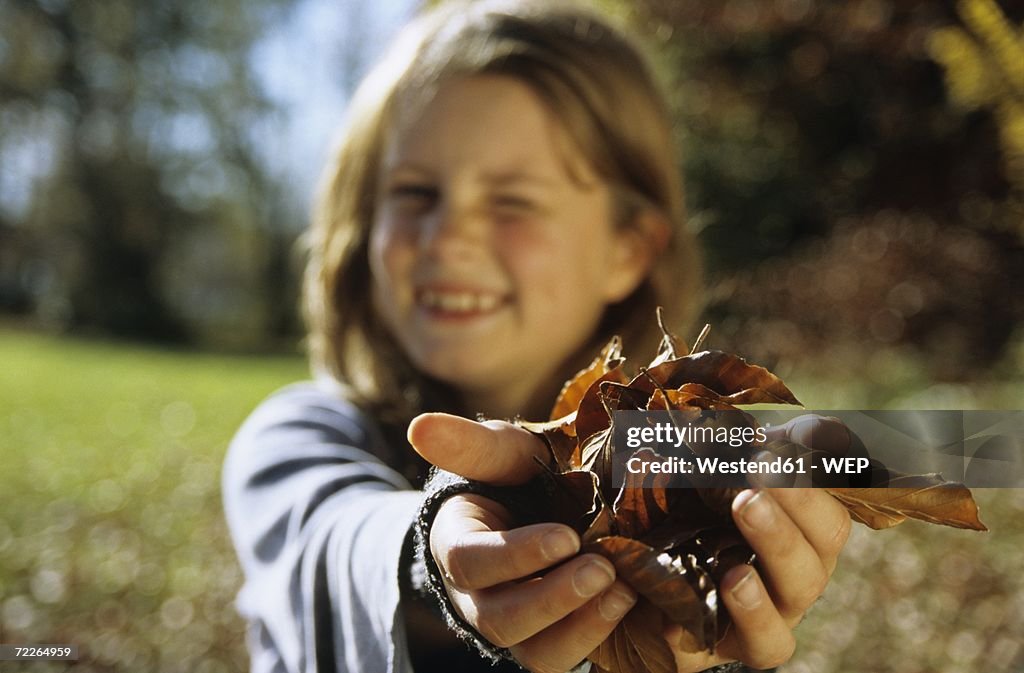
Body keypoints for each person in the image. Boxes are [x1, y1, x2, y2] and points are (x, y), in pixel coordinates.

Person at [222, 1, 853, 672]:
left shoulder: (676, 466)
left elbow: (938, 451)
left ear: (627, 250)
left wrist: (713, 624)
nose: (446, 237)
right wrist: (440, 543)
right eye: (414, 193)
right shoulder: (298, 436)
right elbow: (336, 539)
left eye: (511, 201)